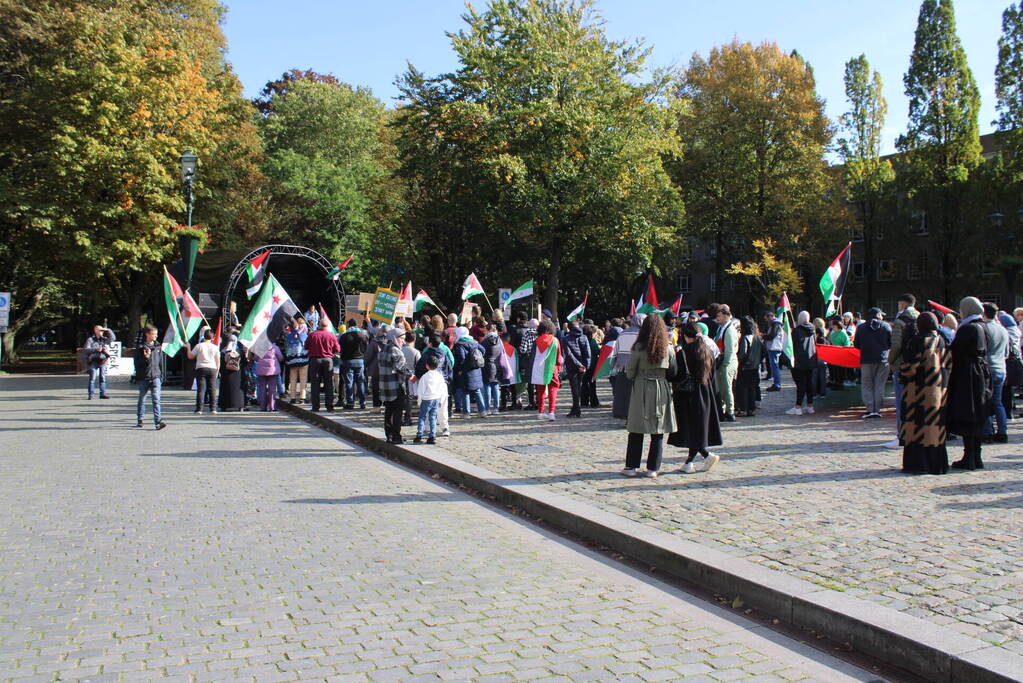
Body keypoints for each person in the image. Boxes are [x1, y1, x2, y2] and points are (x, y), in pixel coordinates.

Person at [621, 315, 676, 477]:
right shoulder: (668, 347)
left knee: (636, 429)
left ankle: (631, 467)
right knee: (657, 430)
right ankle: (653, 468)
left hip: (642, 387)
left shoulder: (638, 347)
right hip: (661, 388)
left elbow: (630, 373)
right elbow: (673, 371)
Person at [899, 312, 950, 475]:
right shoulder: (942, 340)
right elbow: (948, 365)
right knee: (934, 427)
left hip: (919, 390)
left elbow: (909, 367)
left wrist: (902, 370)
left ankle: (918, 464)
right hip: (938, 388)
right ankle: (937, 463)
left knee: (918, 426)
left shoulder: (918, 340)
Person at [669, 322, 723, 472]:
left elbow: (677, 375)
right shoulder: (707, 351)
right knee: (697, 429)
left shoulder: (683, 353)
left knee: (691, 429)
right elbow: (713, 376)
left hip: (688, 395)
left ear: (686, 336)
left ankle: (701, 458)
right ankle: (691, 462)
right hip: (705, 392)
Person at [948, 297, 993, 470]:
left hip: (968, 375)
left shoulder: (968, 328)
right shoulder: (983, 326)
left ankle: (969, 457)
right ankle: (976, 456)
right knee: (978, 415)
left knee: (969, 414)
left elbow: (956, 350)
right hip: (981, 373)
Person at [885, 294, 920, 449]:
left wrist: (890, 360)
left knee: (901, 403)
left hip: (901, 365)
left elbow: (896, 345)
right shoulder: (920, 318)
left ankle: (901, 436)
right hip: (917, 364)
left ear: (902, 304)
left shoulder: (900, 322)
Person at [854, 307, 892, 419]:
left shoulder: (861, 327)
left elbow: (856, 344)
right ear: (878, 315)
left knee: (867, 384)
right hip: (883, 359)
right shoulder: (886, 326)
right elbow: (890, 343)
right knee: (879, 384)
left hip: (866, 359)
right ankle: (877, 409)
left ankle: (870, 409)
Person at [981, 302, 1009, 443]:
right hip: (1001, 368)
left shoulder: (984, 328)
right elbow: (1006, 353)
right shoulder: (1003, 329)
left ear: (983, 313)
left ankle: (988, 432)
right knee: (998, 402)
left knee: (986, 402)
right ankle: (1003, 431)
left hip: (989, 368)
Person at [378, 327, 412, 443]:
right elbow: (401, 369)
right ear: (394, 338)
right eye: (401, 338)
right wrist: (410, 374)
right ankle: (396, 436)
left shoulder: (383, 349)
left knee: (388, 411)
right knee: (397, 412)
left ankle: (389, 435)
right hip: (396, 386)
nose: (403, 341)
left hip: (384, 386)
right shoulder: (396, 351)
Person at [415, 334, 452, 437]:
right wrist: (448, 379)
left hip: (429, 382)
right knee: (442, 406)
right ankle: (445, 428)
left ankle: (427, 428)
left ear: (430, 343)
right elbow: (449, 367)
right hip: (442, 382)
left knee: (427, 407)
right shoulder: (443, 354)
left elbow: (419, 369)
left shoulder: (426, 355)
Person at [134, 325, 167, 430]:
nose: (156, 336)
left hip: (156, 377)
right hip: (144, 377)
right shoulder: (140, 348)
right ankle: (140, 418)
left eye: (156, 334)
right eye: (153, 334)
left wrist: (162, 376)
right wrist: (146, 358)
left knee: (156, 400)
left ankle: (158, 422)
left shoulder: (158, 347)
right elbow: (137, 364)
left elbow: (161, 362)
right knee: (142, 399)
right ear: (147, 334)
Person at [529, 320, 563, 420]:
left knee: (540, 392)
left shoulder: (536, 341)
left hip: (538, 368)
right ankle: (551, 412)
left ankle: (541, 412)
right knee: (553, 391)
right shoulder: (555, 340)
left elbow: (532, 355)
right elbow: (559, 357)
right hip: (552, 368)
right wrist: (559, 367)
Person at [305, 319, 341, 412]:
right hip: (328, 360)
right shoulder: (331, 335)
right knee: (329, 383)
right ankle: (329, 406)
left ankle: (315, 407)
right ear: (327, 326)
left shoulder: (312, 335)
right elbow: (337, 348)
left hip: (315, 360)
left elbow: (306, 346)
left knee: (315, 384)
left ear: (319, 325)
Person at [452, 326, 488, 417]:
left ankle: (466, 413)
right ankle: (482, 411)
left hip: (466, 371)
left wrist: (460, 369)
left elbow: (461, 358)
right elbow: (483, 350)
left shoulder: (459, 344)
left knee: (465, 391)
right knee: (477, 391)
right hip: (476, 369)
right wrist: (476, 360)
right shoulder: (474, 342)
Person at [786, 312, 817, 416]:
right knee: (809, 384)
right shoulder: (813, 329)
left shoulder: (796, 331)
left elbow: (791, 346)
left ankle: (798, 407)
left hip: (799, 361)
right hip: (810, 360)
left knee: (801, 384)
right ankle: (810, 406)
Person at [612, 315, 641, 419]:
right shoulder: (642, 334)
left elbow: (615, 351)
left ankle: (624, 414)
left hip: (623, 368)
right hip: (638, 368)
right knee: (634, 395)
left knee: (624, 394)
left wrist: (615, 365)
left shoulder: (623, 333)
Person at [187, 328, 220, 415]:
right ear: (212, 338)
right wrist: (217, 371)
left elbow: (190, 356)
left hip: (201, 368)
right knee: (212, 389)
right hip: (212, 368)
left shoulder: (199, 346)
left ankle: (199, 409)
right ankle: (213, 408)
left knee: (201, 390)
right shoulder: (215, 347)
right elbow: (218, 361)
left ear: (203, 336)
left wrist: (188, 347)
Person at [414, 354, 446, 444]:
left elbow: (420, 390)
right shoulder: (440, 376)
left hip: (426, 399)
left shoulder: (425, 377)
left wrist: (419, 401)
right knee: (433, 417)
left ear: (427, 365)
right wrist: (442, 400)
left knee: (422, 417)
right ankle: (432, 435)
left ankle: (419, 434)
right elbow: (442, 388)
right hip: (436, 398)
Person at [562, 319, 591, 418]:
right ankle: (575, 409)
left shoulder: (565, 338)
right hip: (581, 366)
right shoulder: (584, 337)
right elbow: (588, 353)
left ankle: (576, 409)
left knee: (575, 389)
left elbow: (569, 355)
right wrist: (585, 365)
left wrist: (581, 365)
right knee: (577, 387)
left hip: (573, 366)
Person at [735, 316, 763, 417]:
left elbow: (743, 353)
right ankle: (751, 409)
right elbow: (763, 352)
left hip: (745, 367)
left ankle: (743, 409)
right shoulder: (757, 337)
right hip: (755, 367)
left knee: (742, 388)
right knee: (752, 388)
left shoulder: (744, 338)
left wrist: (739, 361)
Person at [714, 305, 739, 422]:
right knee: (723, 388)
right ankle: (724, 411)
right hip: (723, 362)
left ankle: (730, 412)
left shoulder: (728, 329)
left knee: (726, 388)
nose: (716, 317)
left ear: (725, 315)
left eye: (718, 315)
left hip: (727, 364)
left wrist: (724, 365)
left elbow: (729, 350)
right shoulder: (723, 327)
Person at [338, 319, 368, 409]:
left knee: (349, 382)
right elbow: (366, 348)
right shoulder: (363, 335)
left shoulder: (344, 336)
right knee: (360, 382)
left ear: (348, 325)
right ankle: (363, 402)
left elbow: (341, 349)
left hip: (348, 361)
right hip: (360, 361)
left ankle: (350, 403)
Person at [84, 324, 116, 399]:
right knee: (92, 378)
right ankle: (91, 395)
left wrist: (108, 330)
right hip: (94, 361)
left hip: (103, 361)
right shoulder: (90, 339)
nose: (101, 332)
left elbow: (113, 338)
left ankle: (103, 394)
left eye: (102, 330)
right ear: (95, 330)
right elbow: (86, 349)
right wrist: (95, 349)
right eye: (99, 330)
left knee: (103, 377)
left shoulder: (104, 339)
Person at [480, 323, 503, 416]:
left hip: (487, 365)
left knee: (487, 386)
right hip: (497, 364)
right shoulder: (499, 340)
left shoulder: (485, 341)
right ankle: (496, 408)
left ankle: (487, 408)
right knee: (496, 386)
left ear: (488, 330)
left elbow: (481, 353)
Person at [254, 342, 284, 412]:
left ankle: (263, 407)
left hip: (261, 370)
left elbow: (255, 358)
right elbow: (281, 358)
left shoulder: (259, 347)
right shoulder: (275, 348)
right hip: (273, 370)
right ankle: (272, 407)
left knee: (262, 389)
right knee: (272, 389)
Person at [284, 320, 310, 404]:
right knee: (303, 379)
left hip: (292, 360)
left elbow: (287, 348)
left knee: (293, 379)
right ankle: (302, 397)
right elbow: (308, 347)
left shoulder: (288, 336)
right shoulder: (304, 335)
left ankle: (292, 397)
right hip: (303, 360)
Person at [219, 333, 245, 412]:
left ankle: (224, 405)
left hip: (226, 373)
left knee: (225, 389)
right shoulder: (239, 351)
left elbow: (221, 362)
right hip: (237, 373)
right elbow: (244, 362)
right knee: (238, 389)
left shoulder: (223, 350)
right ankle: (240, 405)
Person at [401, 331, 421, 425]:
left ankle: (399, 417)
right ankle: (407, 418)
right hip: (411, 376)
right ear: (414, 339)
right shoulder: (416, 352)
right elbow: (419, 366)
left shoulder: (399, 350)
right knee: (409, 397)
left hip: (400, 375)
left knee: (400, 397)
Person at [762, 311, 785, 392]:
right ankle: (776, 383)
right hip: (774, 347)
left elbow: (771, 336)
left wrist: (762, 336)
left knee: (774, 367)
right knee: (774, 366)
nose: (767, 321)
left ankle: (777, 384)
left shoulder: (775, 324)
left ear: (770, 317)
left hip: (774, 347)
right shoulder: (776, 324)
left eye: (767, 319)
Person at [582, 324, 601, 408]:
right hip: (592, 365)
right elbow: (597, 352)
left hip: (584, 365)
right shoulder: (592, 341)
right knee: (592, 384)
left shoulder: (581, 339)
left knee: (584, 384)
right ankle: (594, 402)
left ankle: (584, 402)